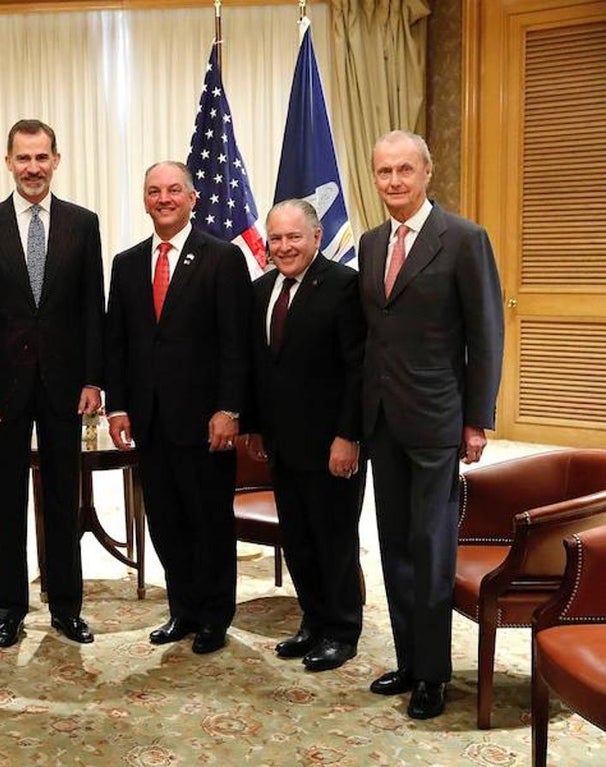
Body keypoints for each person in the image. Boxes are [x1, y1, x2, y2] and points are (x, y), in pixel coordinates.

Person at [360, 131, 504, 719]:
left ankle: (435, 675)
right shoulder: (370, 244)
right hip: (382, 420)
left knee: (431, 544)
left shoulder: (464, 239)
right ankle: (408, 659)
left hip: (438, 419)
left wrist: (477, 418)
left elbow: (486, 334)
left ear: (426, 173)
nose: (394, 181)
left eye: (404, 170)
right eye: (384, 172)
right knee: (392, 544)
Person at [0, 119, 105, 647]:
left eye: (42, 157)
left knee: (65, 497)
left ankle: (66, 607)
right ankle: (9, 610)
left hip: (66, 386)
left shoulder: (83, 224)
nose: (33, 168)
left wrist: (94, 379)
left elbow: (94, 309)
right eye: (23, 158)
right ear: (8, 161)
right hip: (2, 391)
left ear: (56, 160)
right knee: (10, 501)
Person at [105, 161, 252, 655]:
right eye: (153, 191)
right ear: (144, 200)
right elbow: (118, 344)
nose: (163, 198)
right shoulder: (125, 264)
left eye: (173, 190)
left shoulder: (222, 257)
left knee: (208, 520)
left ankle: (214, 616)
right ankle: (183, 609)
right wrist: (118, 406)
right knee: (165, 521)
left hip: (205, 420)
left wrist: (229, 408)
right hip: (149, 420)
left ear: (192, 198)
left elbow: (237, 342)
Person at [245, 199, 366, 672]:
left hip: (331, 443)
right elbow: (260, 366)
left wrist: (348, 436)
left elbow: (358, 369)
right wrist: (254, 425)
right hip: (282, 442)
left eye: (294, 237)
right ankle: (313, 620)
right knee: (297, 537)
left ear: (316, 237)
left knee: (333, 538)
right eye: (275, 238)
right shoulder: (261, 292)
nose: (284, 246)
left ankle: (342, 629)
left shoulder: (343, 286)